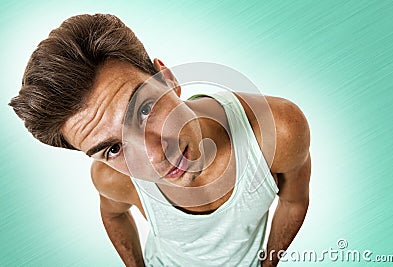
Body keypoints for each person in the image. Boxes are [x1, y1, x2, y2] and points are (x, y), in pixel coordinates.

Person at [9, 14, 311, 267]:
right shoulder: (112, 178)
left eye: (144, 110)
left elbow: (294, 200)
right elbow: (114, 215)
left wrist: (268, 263)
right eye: (113, 148)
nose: (155, 156)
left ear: (167, 77)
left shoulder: (279, 130)